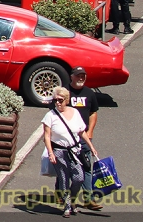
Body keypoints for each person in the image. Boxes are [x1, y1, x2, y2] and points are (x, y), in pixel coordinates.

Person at [44, 86, 98, 217]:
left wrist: (91, 147)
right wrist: (51, 153)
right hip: (59, 152)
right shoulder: (50, 116)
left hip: (74, 151)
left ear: (67, 100)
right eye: (55, 100)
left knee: (79, 177)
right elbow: (46, 136)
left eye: (60, 100)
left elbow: (82, 132)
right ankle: (67, 206)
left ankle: (72, 200)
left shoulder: (75, 112)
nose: (58, 102)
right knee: (63, 179)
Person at [66, 66, 103, 211]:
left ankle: (89, 199)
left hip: (84, 137)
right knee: (70, 170)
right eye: (78, 75)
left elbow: (93, 112)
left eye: (83, 76)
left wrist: (90, 131)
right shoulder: (65, 92)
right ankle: (66, 197)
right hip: (68, 139)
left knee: (87, 167)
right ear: (71, 77)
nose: (81, 78)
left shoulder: (89, 93)